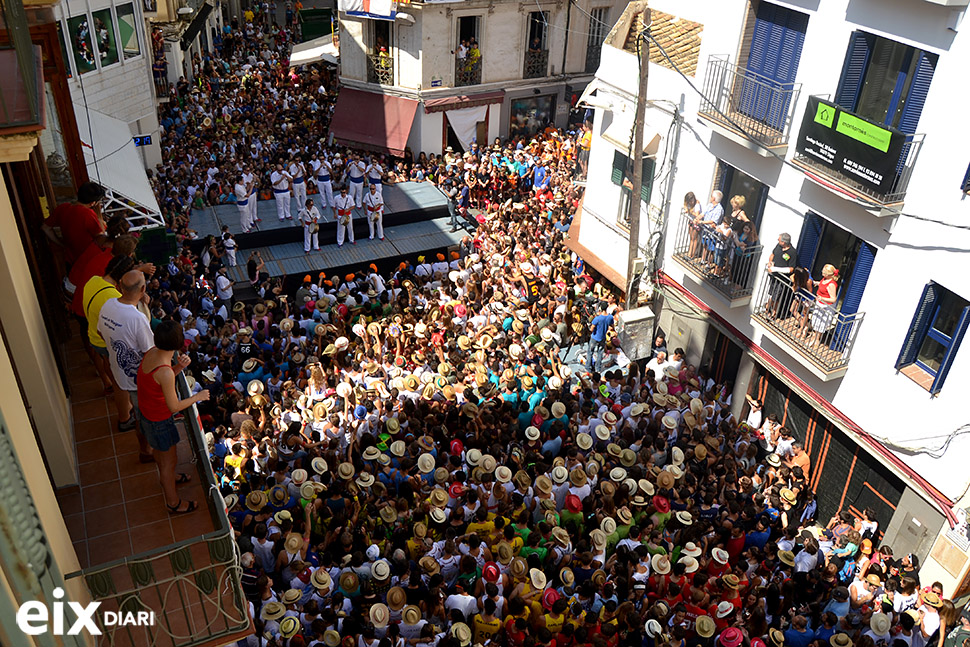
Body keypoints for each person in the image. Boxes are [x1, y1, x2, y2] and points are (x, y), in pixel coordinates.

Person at [136, 320, 209, 514]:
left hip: (147, 414)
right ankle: (173, 502)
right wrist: (197, 397)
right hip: (159, 420)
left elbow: (158, 380)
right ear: (179, 344)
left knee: (162, 455)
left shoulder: (152, 353)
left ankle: (168, 478)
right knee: (170, 461)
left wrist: (178, 367)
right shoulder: (165, 372)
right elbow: (174, 406)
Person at [97, 269, 156, 461]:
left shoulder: (108, 305)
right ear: (143, 289)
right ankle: (145, 451)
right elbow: (150, 352)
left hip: (119, 371)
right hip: (138, 379)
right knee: (143, 418)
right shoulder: (137, 319)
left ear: (120, 286)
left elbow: (100, 333)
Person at [43, 181, 107, 265]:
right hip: (85, 261)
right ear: (93, 203)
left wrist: (60, 243)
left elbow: (45, 228)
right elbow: (100, 238)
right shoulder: (88, 215)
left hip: (69, 258)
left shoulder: (63, 208)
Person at [764, 233, 797, 319]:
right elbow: (772, 254)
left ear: (784, 242)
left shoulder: (792, 252)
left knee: (776, 297)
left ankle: (772, 312)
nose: (777, 241)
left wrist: (775, 269)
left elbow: (791, 269)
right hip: (773, 277)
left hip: (781, 279)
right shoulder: (778, 246)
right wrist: (770, 262)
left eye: (779, 240)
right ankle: (769, 309)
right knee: (771, 294)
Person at [808, 264, 839, 347]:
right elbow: (822, 284)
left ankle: (816, 339)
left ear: (828, 274)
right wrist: (817, 283)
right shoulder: (825, 279)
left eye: (824, 272)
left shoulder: (831, 285)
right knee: (816, 320)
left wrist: (822, 298)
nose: (822, 272)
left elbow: (833, 299)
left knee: (821, 322)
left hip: (826, 306)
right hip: (819, 303)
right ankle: (814, 337)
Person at [587, 302, 613, 372]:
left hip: (594, 337)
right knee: (600, 353)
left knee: (590, 352)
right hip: (603, 337)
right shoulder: (610, 317)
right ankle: (597, 368)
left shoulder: (597, 319)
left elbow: (591, 329)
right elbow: (611, 326)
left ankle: (588, 368)